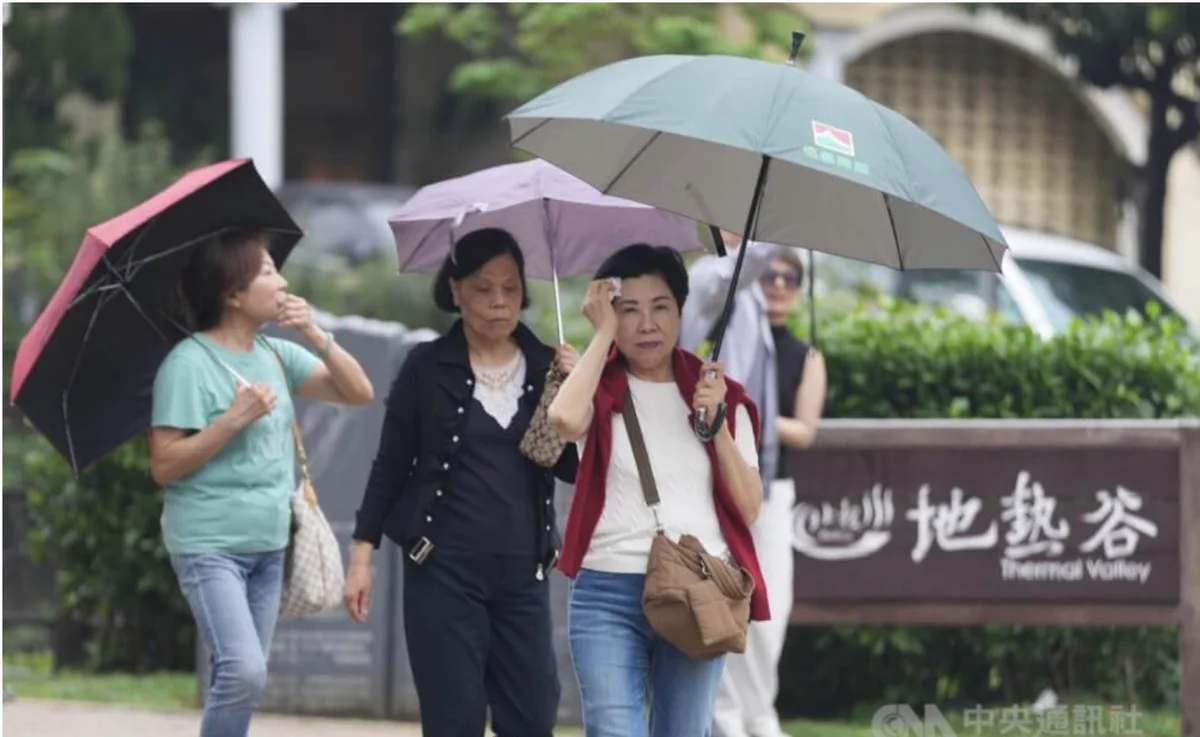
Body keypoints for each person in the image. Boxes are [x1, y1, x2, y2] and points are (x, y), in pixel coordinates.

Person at [343, 227, 580, 737]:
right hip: (442, 569)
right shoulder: (426, 367)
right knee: (455, 720)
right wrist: (362, 557)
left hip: (524, 573)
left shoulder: (547, 368)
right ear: (454, 291)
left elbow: (572, 468)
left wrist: (578, 392)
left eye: (511, 288)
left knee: (534, 717)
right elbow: (390, 465)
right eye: (482, 288)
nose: (499, 301)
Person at [148, 228, 375, 737]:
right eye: (268, 272)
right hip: (210, 546)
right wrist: (231, 421)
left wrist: (316, 334)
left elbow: (358, 391)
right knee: (243, 671)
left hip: (270, 546)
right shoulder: (187, 364)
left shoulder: (276, 355)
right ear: (232, 294)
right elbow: (163, 463)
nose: (283, 281)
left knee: (247, 677)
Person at [548, 243, 770, 737]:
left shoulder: (721, 396)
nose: (646, 324)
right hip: (606, 589)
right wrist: (601, 334)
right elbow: (563, 419)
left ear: (681, 309)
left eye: (661, 307)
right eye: (629, 310)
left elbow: (750, 506)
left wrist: (717, 426)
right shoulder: (596, 387)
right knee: (612, 729)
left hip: (699, 588)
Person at [709, 247, 827, 737]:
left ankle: (760, 713)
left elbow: (805, 429)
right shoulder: (730, 334)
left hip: (774, 489)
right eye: (770, 274)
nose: (779, 284)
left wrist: (751, 409)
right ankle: (726, 715)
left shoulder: (806, 354)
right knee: (719, 597)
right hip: (722, 486)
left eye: (790, 277)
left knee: (768, 607)